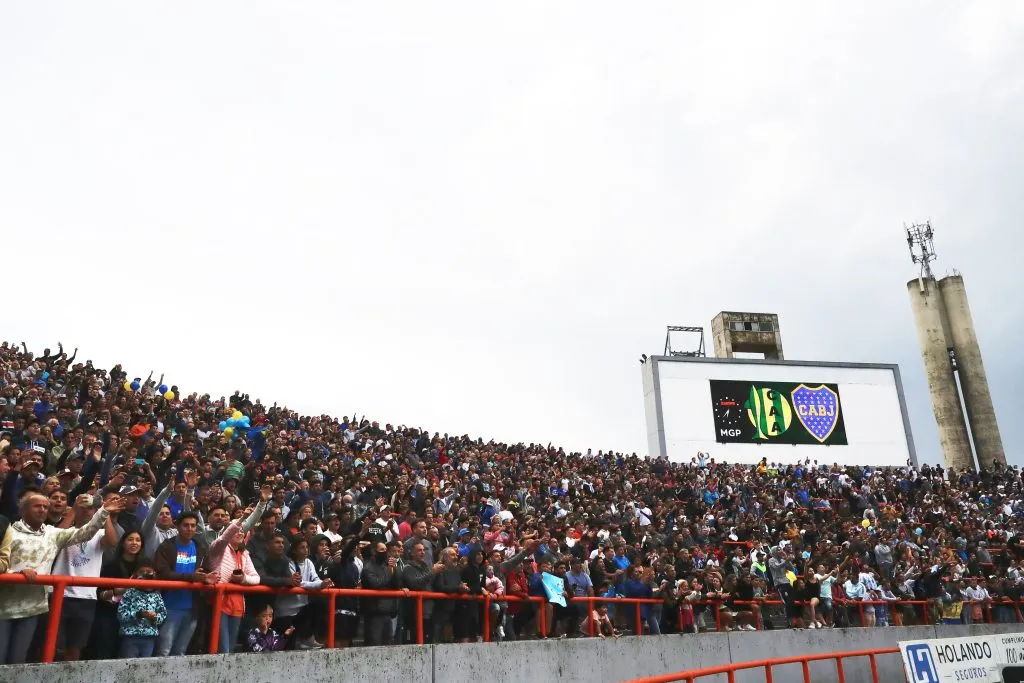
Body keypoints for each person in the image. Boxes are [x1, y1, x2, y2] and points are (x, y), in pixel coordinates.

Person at [0, 491, 122, 665]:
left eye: (45, 506)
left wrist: (103, 511)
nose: (42, 510)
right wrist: (16, 575)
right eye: (37, 506)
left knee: (17, 661)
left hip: (34, 607)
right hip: (4, 604)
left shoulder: (52, 534)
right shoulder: (9, 532)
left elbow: (85, 533)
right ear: (23, 510)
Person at [153, 511, 217, 656]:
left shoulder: (200, 547)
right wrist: (192, 577)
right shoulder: (166, 547)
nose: (190, 529)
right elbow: (163, 573)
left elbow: (205, 571)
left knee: (181, 652)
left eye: (193, 526)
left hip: (192, 608)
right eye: (186, 525)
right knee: (163, 651)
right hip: (169, 606)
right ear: (177, 526)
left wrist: (207, 576)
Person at [117, 561, 167, 659]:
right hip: (130, 636)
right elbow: (120, 615)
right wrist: (138, 614)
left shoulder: (156, 595)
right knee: (129, 664)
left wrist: (154, 617)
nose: (146, 577)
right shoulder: (130, 593)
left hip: (149, 636)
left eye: (149, 574)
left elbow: (163, 615)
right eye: (142, 573)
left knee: (145, 666)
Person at [361, 540, 406, 646]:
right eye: (382, 550)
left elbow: (396, 585)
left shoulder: (386, 566)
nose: (385, 552)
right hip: (374, 613)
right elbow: (377, 584)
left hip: (388, 612)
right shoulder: (368, 568)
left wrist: (394, 570)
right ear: (374, 551)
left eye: (386, 550)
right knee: (374, 645)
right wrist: (390, 571)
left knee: (388, 644)